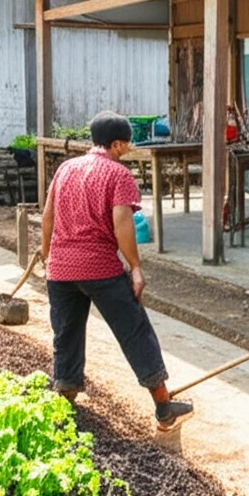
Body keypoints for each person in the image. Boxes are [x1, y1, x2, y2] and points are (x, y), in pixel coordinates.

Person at [40, 110, 194, 430]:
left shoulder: (66, 168)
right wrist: (136, 267)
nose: (128, 148)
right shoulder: (118, 175)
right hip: (99, 268)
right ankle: (164, 408)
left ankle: (64, 399)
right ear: (118, 144)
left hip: (61, 269)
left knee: (66, 333)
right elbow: (122, 224)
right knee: (135, 331)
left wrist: (46, 255)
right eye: (127, 143)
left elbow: (48, 217)